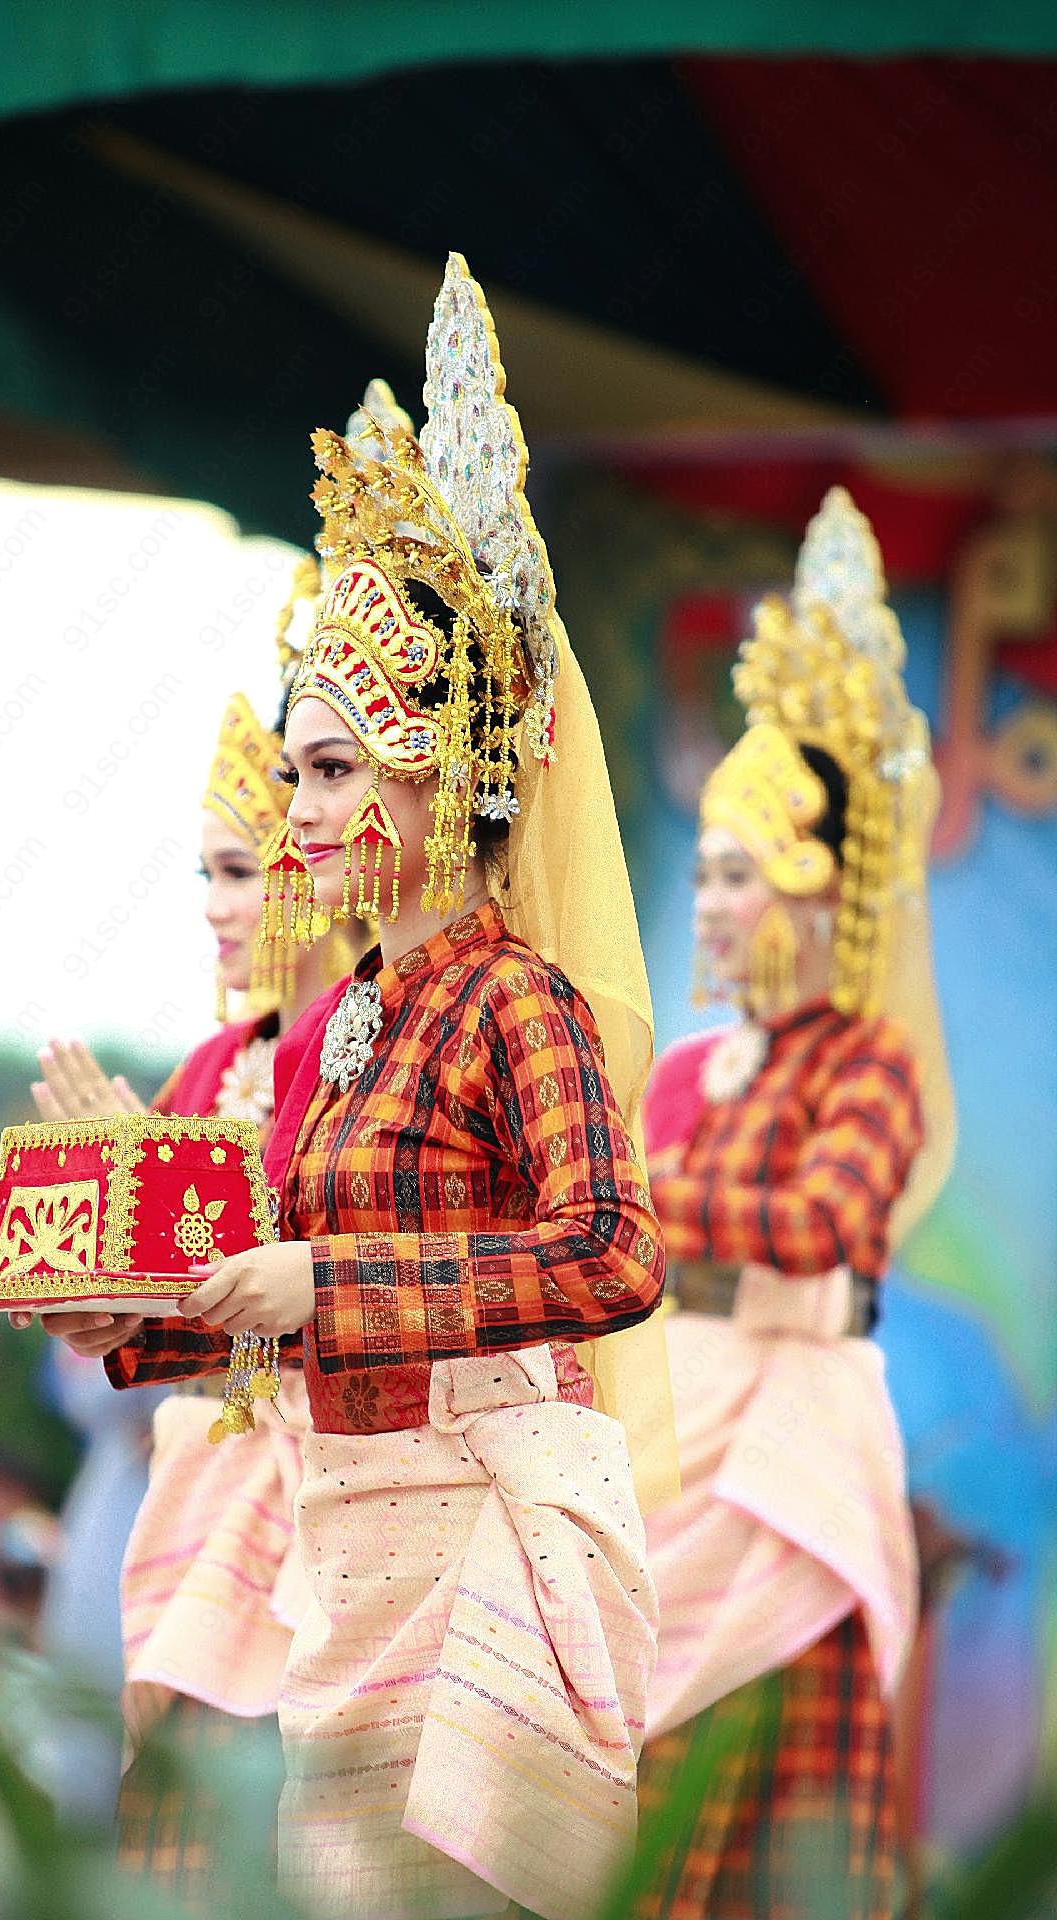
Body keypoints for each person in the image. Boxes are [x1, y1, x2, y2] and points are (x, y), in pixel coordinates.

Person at [84, 253, 676, 1920]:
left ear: (451, 777)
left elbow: (618, 1255)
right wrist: (144, 1321)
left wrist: (328, 1276)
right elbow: (298, 1297)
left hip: (492, 1532)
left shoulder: (512, 1002)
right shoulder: (353, 1027)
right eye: (296, 774)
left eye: (333, 769)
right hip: (345, 1544)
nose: (302, 814)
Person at [631, 487, 957, 1920]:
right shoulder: (692, 1071)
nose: (709, 906)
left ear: (821, 893)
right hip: (671, 1426)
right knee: (644, 1785)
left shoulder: (868, 1063)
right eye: (700, 873)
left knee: (793, 1794)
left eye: (739, 876)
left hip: (794, 1443)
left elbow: (824, 1223)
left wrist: (643, 1192)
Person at [23, 608, 360, 1893]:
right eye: (206, 876)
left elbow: (321, 1267)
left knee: (290, 1834)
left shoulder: (357, 1042)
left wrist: (159, 1192)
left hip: (324, 1482)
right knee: (165, 1828)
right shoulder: (212, 1065)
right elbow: (150, 1310)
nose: (218, 908)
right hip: (184, 1478)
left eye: (242, 871)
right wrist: (97, 1229)